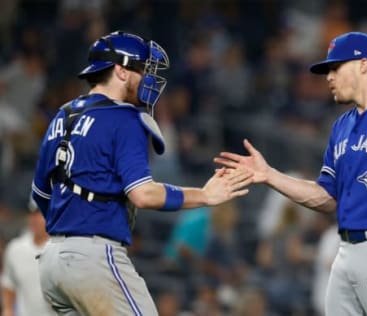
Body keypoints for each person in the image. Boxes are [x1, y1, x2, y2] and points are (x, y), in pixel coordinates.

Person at [214, 31, 367, 316]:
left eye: (335, 67)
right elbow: (327, 197)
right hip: (345, 249)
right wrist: (270, 175)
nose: (328, 77)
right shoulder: (341, 127)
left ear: (363, 64)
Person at [31, 30, 253, 316]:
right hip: (93, 258)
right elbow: (143, 195)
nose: (148, 78)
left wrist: (71, 228)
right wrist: (205, 195)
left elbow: (40, 193)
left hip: (52, 263)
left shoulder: (62, 116)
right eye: (142, 69)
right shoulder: (124, 118)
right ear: (121, 71)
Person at [1, 199, 55, 316]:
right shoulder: (15, 249)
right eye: (32, 213)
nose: (35, 219)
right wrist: (8, 309)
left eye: (40, 214)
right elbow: (8, 284)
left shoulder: (62, 250)